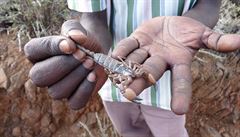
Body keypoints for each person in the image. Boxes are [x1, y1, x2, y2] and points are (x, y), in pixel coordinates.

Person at [24, 0, 240, 136]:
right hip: (110, 74)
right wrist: (88, 43)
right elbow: (93, 18)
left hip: (165, 88)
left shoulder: (136, 70)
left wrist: (130, 72)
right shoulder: (121, 77)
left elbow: (211, 4)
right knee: (128, 128)